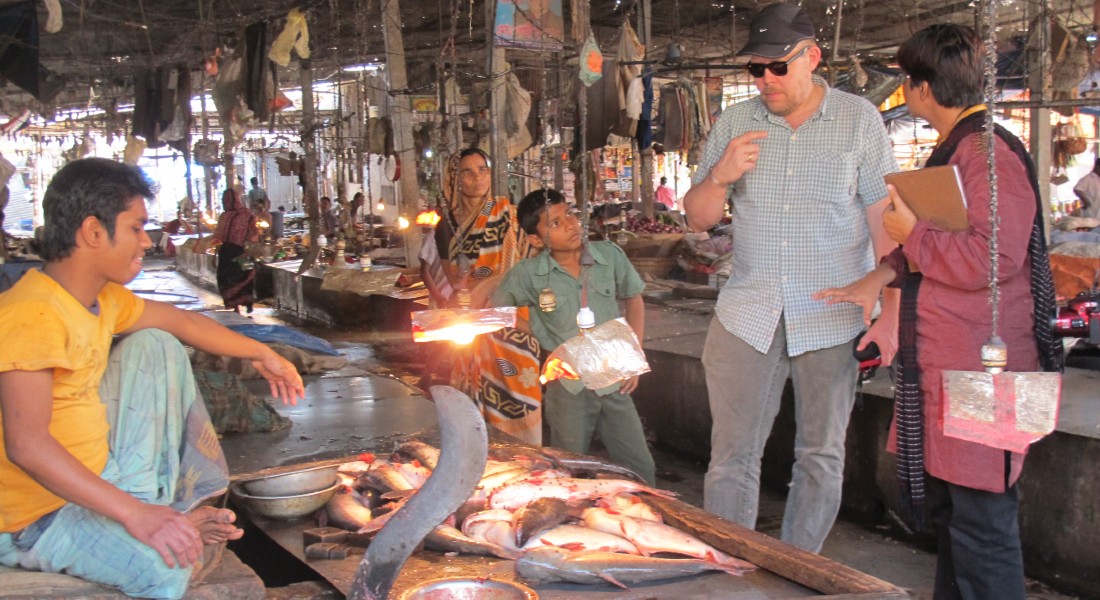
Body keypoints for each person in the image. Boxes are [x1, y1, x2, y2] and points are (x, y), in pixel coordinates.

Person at [816, 24, 1063, 599]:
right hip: (950, 366)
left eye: (905, 80)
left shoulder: (988, 154)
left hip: (982, 372)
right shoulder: (963, 148)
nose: (905, 90)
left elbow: (990, 258)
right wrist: (879, 275)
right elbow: (945, 244)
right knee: (959, 518)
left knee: (982, 522)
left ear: (922, 87)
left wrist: (913, 233)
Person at [0, 158, 305, 599]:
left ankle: (159, 509)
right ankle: (136, 518)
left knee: (157, 343)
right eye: (136, 228)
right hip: (35, 514)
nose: (147, 241)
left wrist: (262, 351)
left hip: (98, 474)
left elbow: (183, 322)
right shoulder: (31, 316)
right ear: (92, 232)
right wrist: (136, 516)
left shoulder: (100, 299)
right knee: (164, 572)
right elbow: (27, 447)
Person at [681, 1, 899, 553]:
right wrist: (722, 176)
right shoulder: (736, 121)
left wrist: (889, 312)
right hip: (747, 311)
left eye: (778, 66)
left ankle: (800, 568)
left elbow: (885, 222)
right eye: (756, 68)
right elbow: (697, 217)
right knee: (731, 455)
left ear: (812, 58)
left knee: (821, 454)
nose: (766, 80)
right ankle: (731, 566)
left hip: (830, 311)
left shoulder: (858, 121)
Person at [492, 189, 656, 484]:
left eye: (569, 213)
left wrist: (635, 354)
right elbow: (497, 309)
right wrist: (541, 333)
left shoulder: (609, 256)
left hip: (614, 379)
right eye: (554, 223)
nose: (570, 224)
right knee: (567, 468)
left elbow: (634, 299)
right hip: (567, 386)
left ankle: (648, 519)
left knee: (639, 467)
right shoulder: (530, 274)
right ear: (535, 240)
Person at [418, 148, 542, 444]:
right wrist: (475, 297)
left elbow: (535, 258)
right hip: (472, 323)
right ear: (454, 179)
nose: (477, 178)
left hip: (515, 326)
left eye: (482, 170)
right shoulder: (446, 226)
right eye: (467, 172)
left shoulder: (510, 217)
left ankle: (525, 457)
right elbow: (450, 277)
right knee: (471, 397)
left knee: (520, 393)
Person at [212, 187, 258, 314]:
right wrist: (214, 255)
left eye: (227, 200)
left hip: (243, 251)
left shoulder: (247, 215)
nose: (225, 203)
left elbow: (254, 233)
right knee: (227, 280)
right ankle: (234, 305)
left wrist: (250, 249)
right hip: (226, 252)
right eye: (224, 200)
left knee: (245, 278)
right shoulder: (224, 216)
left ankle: (248, 303)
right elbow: (218, 237)